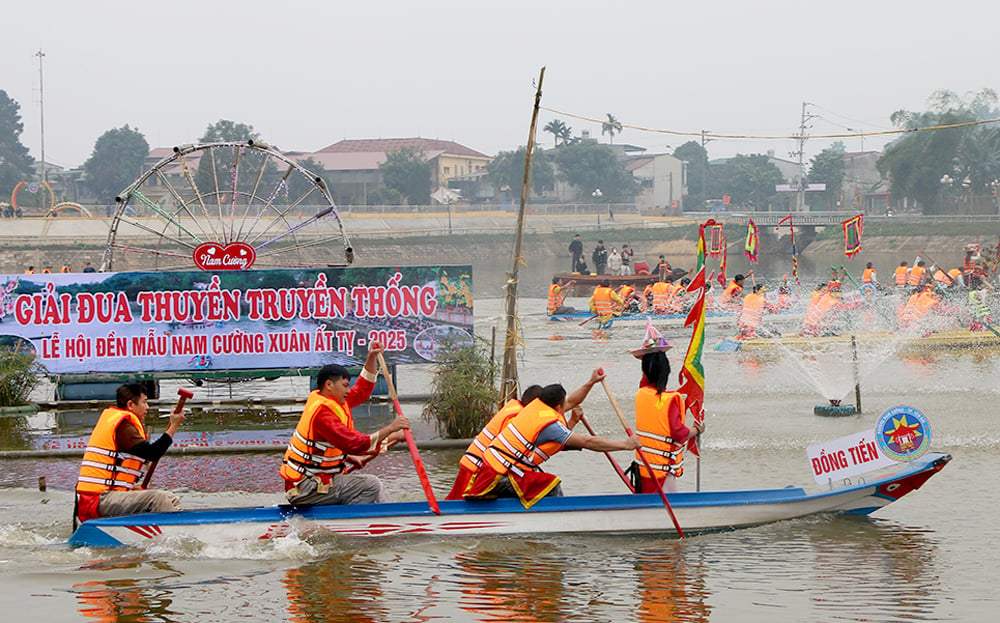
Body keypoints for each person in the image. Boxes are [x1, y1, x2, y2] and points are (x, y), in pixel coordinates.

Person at [463, 377, 641, 508]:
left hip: (493, 469)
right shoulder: (551, 426)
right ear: (557, 407)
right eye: (564, 403)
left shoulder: (537, 406)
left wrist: (592, 382)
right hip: (497, 476)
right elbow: (587, 441)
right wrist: (625, 445)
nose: (568, 403)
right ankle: (557, 518)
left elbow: (572, 400)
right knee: (551, 485)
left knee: (537, 480)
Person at [280, 342, 411, 506]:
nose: (349, 390)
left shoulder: (335, 400)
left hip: (315, 482)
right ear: (329, 385)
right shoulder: (323, 414)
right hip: (306, 488)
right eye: (345, 386)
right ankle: (357, 525)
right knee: (371, 485)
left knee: (365, 486)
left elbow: (362, 389)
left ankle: (377, 516)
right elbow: (355, 444)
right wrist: (392, 429)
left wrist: (371, 357)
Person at [75, 383, 186, 525]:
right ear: (130, 405)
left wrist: (132, 488)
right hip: (97, 501)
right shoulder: (123, 426)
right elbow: (153, 453)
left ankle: (178, 530)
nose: (147, 408)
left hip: (105, 498)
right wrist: (174, 424)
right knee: (158, 499)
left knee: (171, 498)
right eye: (144, 402)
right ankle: (174, 535)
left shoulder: (119, 422)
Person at [629, 336, 703, 494]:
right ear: (667, 372)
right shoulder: (670, 400)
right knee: (668, 508)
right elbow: (679, 433)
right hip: (662, 473)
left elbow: (646, 381)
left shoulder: (641, 394)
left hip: (643, 469)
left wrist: (648, 356)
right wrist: (696, 430)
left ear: (644, 372)